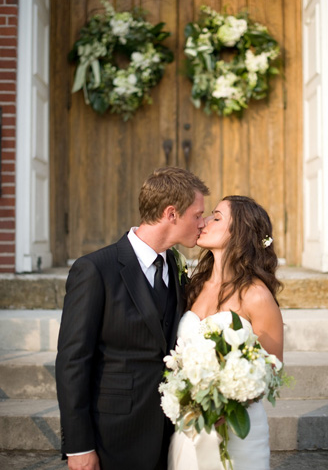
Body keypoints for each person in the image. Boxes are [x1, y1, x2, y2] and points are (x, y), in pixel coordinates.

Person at [56, 167, 210, 470]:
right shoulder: (96, 269)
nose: (202, 223)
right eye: (197, 215)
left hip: (170, 436)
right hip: (113, 436)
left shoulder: (177, 268)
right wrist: (78, 445)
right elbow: (73, 360)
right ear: (171, 214)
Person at [168, 195, 283, 470]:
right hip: (189, 426)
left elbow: (273, 367)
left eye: (216, 217)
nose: (204, 221)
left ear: (240, 232)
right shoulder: (193, 287)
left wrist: (227, 400)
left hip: (237, 429)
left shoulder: (256, 296)